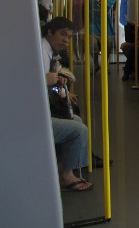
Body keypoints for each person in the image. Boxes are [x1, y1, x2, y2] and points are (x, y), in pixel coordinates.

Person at [41, 17, 93, 192]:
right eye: (63, 35)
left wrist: (60, 89)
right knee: (80, 130)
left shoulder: (49, 52)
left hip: (43, 109)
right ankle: (66, 175)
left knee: (77, 120)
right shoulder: (40, 52)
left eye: (70, 37)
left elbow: (49, 87)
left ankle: (67, 166)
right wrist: (43, 80)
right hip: (34, 117)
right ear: (50, 32)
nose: (66, 40)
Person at [89, 0, 115, 73]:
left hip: (105, 26)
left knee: (107, 47)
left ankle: (106, 65)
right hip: (93, 25)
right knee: (93, 46)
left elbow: (107, 7)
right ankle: (96, 64)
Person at [72, 0, 84, 64]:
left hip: (82, 20)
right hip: (73, 21)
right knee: (74, 39)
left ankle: (82, 57)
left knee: (82, 39)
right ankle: (76, 56)